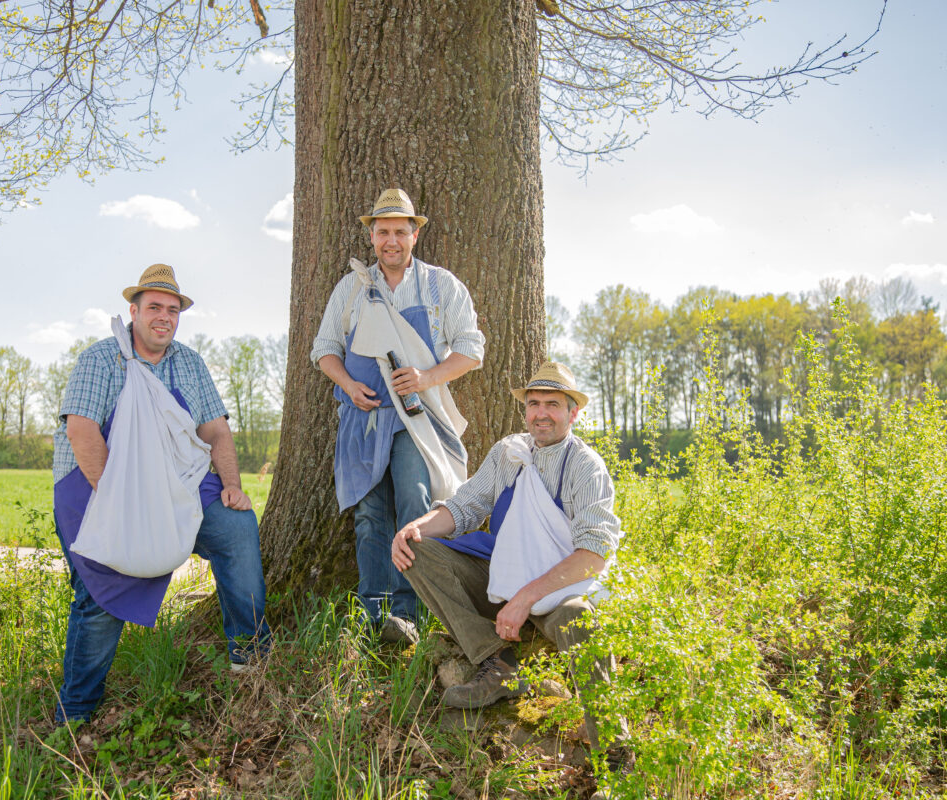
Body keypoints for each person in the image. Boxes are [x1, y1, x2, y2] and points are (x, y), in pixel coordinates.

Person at [52, 263, 270, 724]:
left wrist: (231, 485)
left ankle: (250, 656)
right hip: (100, 486)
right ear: (133, 311)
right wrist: (123, 506)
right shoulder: (100, 358)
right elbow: (83, 431)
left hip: (179, 483)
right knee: (100, 592)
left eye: (173, 310)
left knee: (237, 528)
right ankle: (75, 711)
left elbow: (215, 429)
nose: (164, 317)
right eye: (154, 307)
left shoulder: (189, 362)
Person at [391, 361, 628, 752]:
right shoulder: (509, 453)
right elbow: (463, 507)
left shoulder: (586, 468)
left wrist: (526, 598)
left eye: (553, 404)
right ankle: (497, 662)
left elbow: (593, 556)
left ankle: (616, 753)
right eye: (533, 403)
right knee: (416, 550)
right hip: (504, 579)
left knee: (580, 617)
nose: (541, 413)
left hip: (559, 590)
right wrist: (413, 528)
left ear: (574, 412)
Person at [311, 188, 484, 646]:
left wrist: (426, 377)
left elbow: (471, 349)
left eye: (400, 232)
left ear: (414, 235)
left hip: (417, 418)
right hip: (363, 419)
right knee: (370, 514)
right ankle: (372, 614)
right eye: (383, 232)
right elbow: (324, 350)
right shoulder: (352, 287)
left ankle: (407, 615)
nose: (392, 241)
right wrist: (349, 386)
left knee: (415, 502)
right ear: (372, 237)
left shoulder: (439, 286)